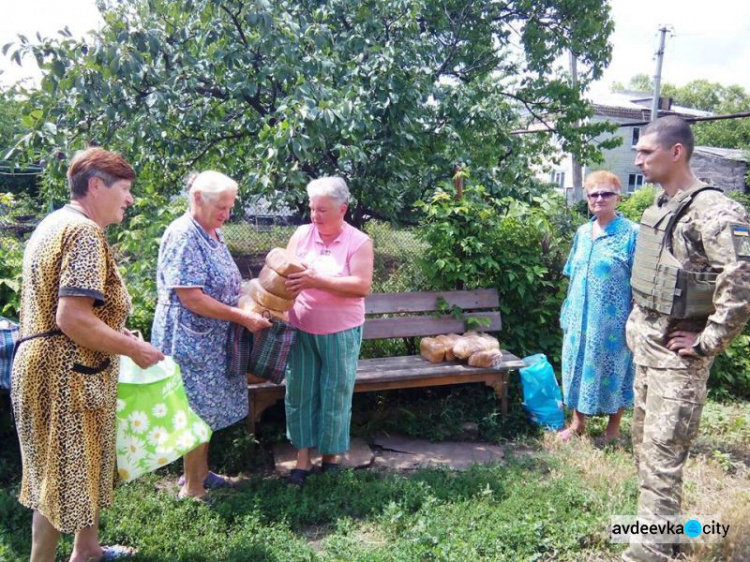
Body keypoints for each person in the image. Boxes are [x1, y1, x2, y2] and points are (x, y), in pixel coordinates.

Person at [11, 148, 165, 562]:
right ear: (97, 186)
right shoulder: (83, 233)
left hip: (53, 366)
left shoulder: (54, 223)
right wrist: (134, 347)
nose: (129, 200)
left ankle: (88, 550)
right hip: (64, 375)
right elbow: (72, 318)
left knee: (80, 466)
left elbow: (76, 314)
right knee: (57, 480)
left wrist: (115, 335)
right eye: (125, 190)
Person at [623, 115, 750, 561]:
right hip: (649, 348)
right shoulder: (663, 204)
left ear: (676, 152)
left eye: (646, 151)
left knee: (662, 452)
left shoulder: (716, 211)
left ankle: (652, 551)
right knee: (645, 448)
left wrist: (707, 340)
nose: (637, 158)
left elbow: (742, 280)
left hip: (679, 361)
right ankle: (664, 536)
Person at [151, 171, 271, 501]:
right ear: (198, 198)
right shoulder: (184, 234)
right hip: (189, 337)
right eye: (222, 206)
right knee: (195, 408)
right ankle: (192, 488)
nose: (227, 215)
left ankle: (201, 473)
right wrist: (241, 316)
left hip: (209, 336)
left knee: (205, 407)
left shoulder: (212, 231)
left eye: (230, 207)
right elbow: (191, 296)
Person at [283, 176, 374, 486]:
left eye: (322, 210)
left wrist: (315, 280)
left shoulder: (358, 241)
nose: (314, 216)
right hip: (301, 328)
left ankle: (331, 457)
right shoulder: (300, 235)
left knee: (335, 393)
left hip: (341, 332)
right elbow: (285, 274)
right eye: (311, 209)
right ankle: (303, 458)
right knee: (300, 392)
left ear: (343, 209)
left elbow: (361, 286)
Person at [559, 171, 638, 443]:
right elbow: (573, 274)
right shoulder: (582, 233)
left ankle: (612, 430)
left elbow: (641, 282)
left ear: (618, 197)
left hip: (614, 323)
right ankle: (577, 424)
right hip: (579, 318)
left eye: (606, 193)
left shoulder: (632, 233)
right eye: (594, 194)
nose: (599, 198)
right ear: (587, 199)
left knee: (616, 370)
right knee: (579, 366)